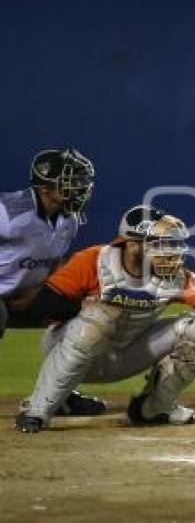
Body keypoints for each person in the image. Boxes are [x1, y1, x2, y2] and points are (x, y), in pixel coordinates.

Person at [15, 205, 195, 433]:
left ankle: (153, 408)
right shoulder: (93, 261)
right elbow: (43, 306)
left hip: (125, 355)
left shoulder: (172, 276)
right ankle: (38, 408)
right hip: (71, 347)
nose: (171, 253)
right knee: (100, 316)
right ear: (132, 244)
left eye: (172, 245)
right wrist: (84, 305)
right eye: (160, 245)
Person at [0, 147, 104, 415]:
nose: (80, 188)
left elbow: (56, 263)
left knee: (89, 315)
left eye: (82, 181)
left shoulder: (69, 219)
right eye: (71, 181)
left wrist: (44, 290)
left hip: (25, 298)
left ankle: (58, 394)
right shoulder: (9, 212)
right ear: (45, 186)